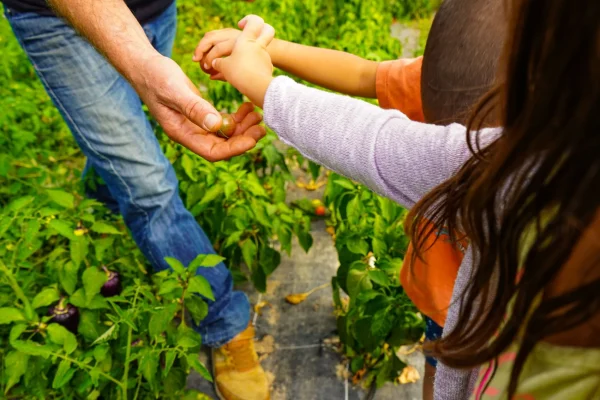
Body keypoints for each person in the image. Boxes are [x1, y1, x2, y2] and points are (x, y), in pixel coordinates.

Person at [200, 8, 600, 399]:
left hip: (455, 311)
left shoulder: (517, 174)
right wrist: (268, 53)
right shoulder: (492, 120)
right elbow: (369, 115)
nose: (455, 148)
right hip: (447, 315)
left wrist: (265, 82)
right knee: (440, 365)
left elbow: (376, 144)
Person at [2, 1, 270, 399]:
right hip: (58, 19)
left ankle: (100, 205)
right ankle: (225, 322)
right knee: (149, 187)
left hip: (154, 8)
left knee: (121, 144)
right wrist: (141, 61)